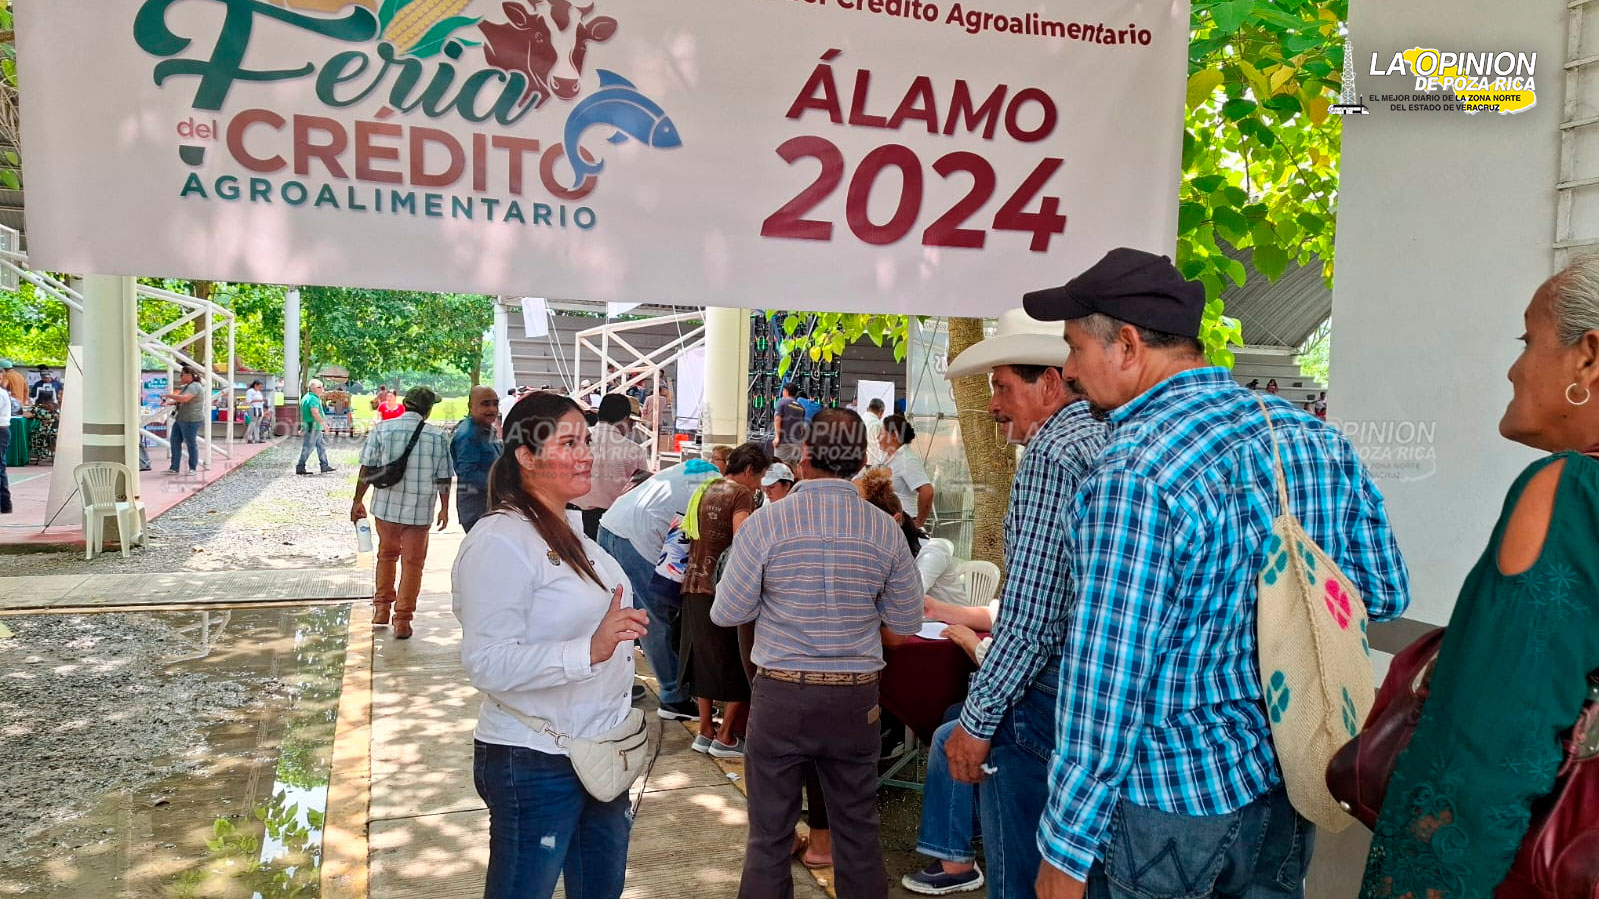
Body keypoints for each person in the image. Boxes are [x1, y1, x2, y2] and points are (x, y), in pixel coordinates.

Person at [1021, 247, 1411, 899]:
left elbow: (1105, 681)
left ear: (1124, 343)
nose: (1066, 370)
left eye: (1072, 348)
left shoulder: (1133, 473)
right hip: (1286, 777)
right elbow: (1382, 588)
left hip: (1167, 801)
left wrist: (1063, 848)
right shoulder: (1312, 440)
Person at [1360, 257, 1599, 899]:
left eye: (1528, 341)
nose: (1514, 367)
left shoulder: (1569, 492)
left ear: (1588, 358)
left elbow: (1486, 752)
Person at [921, 307, 1109, 898]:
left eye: (1003, 388)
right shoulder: (1117, 439)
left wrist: (976, 722)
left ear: (1050, 385)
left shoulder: (1053, 456)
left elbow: (1030, 619)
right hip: (1103, 701)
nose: (993, 405)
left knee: (1026, 874)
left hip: (1050, 697)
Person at [713, 408, 924, 899]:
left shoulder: (767, 524)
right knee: (858, 833)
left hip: (781, 694)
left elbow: (727, 612)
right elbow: (908, 622)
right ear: (860, 459)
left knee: (768, 837)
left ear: (804, 455)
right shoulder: (884, 529)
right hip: (856, 699)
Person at [452, 391, 645, 899]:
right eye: (568, 442)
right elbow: (486, 662)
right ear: (526, 456)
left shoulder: (572, 533)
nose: (586, 453)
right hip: (535, 759)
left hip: (600, 751)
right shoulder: (501, 541)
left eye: (586, 439)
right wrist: (590, 649)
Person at [598, 454, 724, 721]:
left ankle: (611, 684)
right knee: (652, 620)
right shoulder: (718, 488)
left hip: (610, 524)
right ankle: (673, 698)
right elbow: (699, 543)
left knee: (616, 614)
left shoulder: (690, 469)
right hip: (636, 539)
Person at [680, 443, 771, 758]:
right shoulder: (740, 494)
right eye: (759, 478)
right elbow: (743, 538)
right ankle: (726, 735)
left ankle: (704, 729)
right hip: (722, 588)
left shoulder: (706, 487)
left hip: (693, 583)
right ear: (749, 471)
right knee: (739, 662)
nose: (758, 485)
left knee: (703, 661)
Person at [351, 387, 454, 640]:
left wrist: (357, 500)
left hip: (385, 507)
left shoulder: (382, 429)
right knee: (413, 565)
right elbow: (443, 476)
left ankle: (381, 610)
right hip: (419, 512)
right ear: (428, 410)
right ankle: (403, 620)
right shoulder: (437, 436)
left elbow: (367, 468)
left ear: (405, 404)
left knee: (386, 555)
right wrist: (444, 507)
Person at [574, 394, 651, 539]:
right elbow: (642, 493)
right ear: (626, 420)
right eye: (632, 423)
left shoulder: (575, 439)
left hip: (571, 517)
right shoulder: (634, 450)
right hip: (611, 524)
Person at [452, 386, 503, 533]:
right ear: (470, 407)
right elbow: (468, 474)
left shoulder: (486, 430)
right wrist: (501, 487)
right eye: (485, 404)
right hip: (477, 511)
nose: (492, 409)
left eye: (495, 403)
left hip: (490, 508)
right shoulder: (468, 435)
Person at [878, 414, 934, 533]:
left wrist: (918, 522)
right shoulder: (885, 456)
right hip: (890, 522)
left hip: (904, 524)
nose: (878, 437)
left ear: (894, 436)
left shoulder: (907, 460)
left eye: (881, 433)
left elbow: (927, 491)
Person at [161, 368, 206, 475]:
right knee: (175, 442)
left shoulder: (194, 386)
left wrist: (168, 395)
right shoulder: (188, 386)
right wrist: (170, 403)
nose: (180, 377)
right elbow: (182, 400)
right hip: (181, 418)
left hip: (191, 420)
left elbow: (185, 399)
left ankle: (192, 468)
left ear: (189, 375)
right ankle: (174, 467)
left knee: (191, 444)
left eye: (182, 375)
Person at [297, 379, 335, 475]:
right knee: (308, 447)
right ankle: (300, 467)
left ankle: (324, 465)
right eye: (319, 387)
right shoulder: (313, 399)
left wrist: (302, 427)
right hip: (313, 426)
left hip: (311, 425)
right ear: (313, 388)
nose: (322, 389)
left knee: (321, 446)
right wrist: (324, 424)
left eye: (322, 387)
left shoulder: (306, 397)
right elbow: (314, 413)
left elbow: (304, 414)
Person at [773, 382, 808, 449]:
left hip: (783, 443)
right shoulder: (801, 407)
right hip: (796, 444)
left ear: (786, 391)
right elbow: (801, 428)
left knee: (780, 460)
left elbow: (777, 419)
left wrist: (777, 437)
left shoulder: (782, 402)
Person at [862, 397, 887, 467]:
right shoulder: (878, 424)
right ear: (881, 412)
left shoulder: (858, 420)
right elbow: (883, 446)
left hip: (859, 462)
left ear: (868, 408)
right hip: (873, 462)